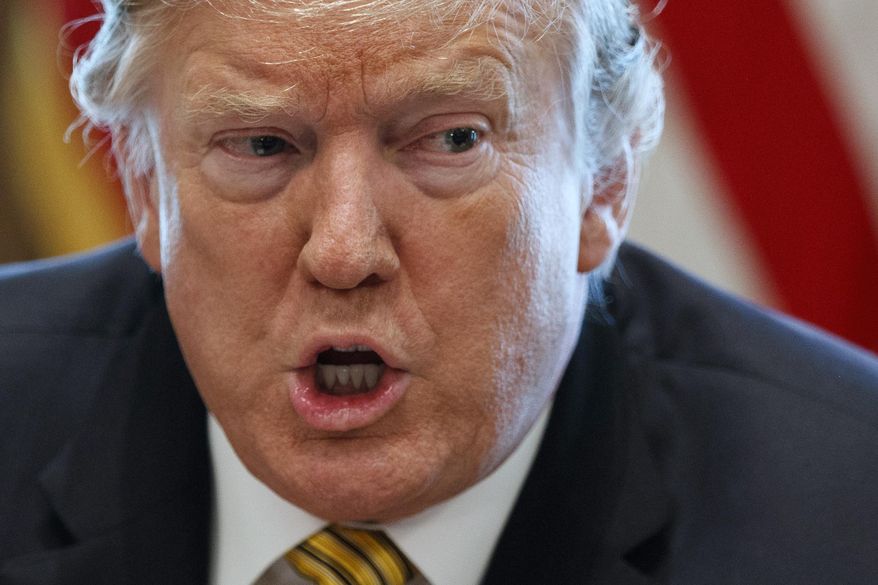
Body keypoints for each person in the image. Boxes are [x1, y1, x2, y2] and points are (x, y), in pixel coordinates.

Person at [1, 0, 877, 583]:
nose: (344, 250)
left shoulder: (845, 514)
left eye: (451, 139)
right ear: (148, 187)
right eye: (261, 146)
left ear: (604, 180)